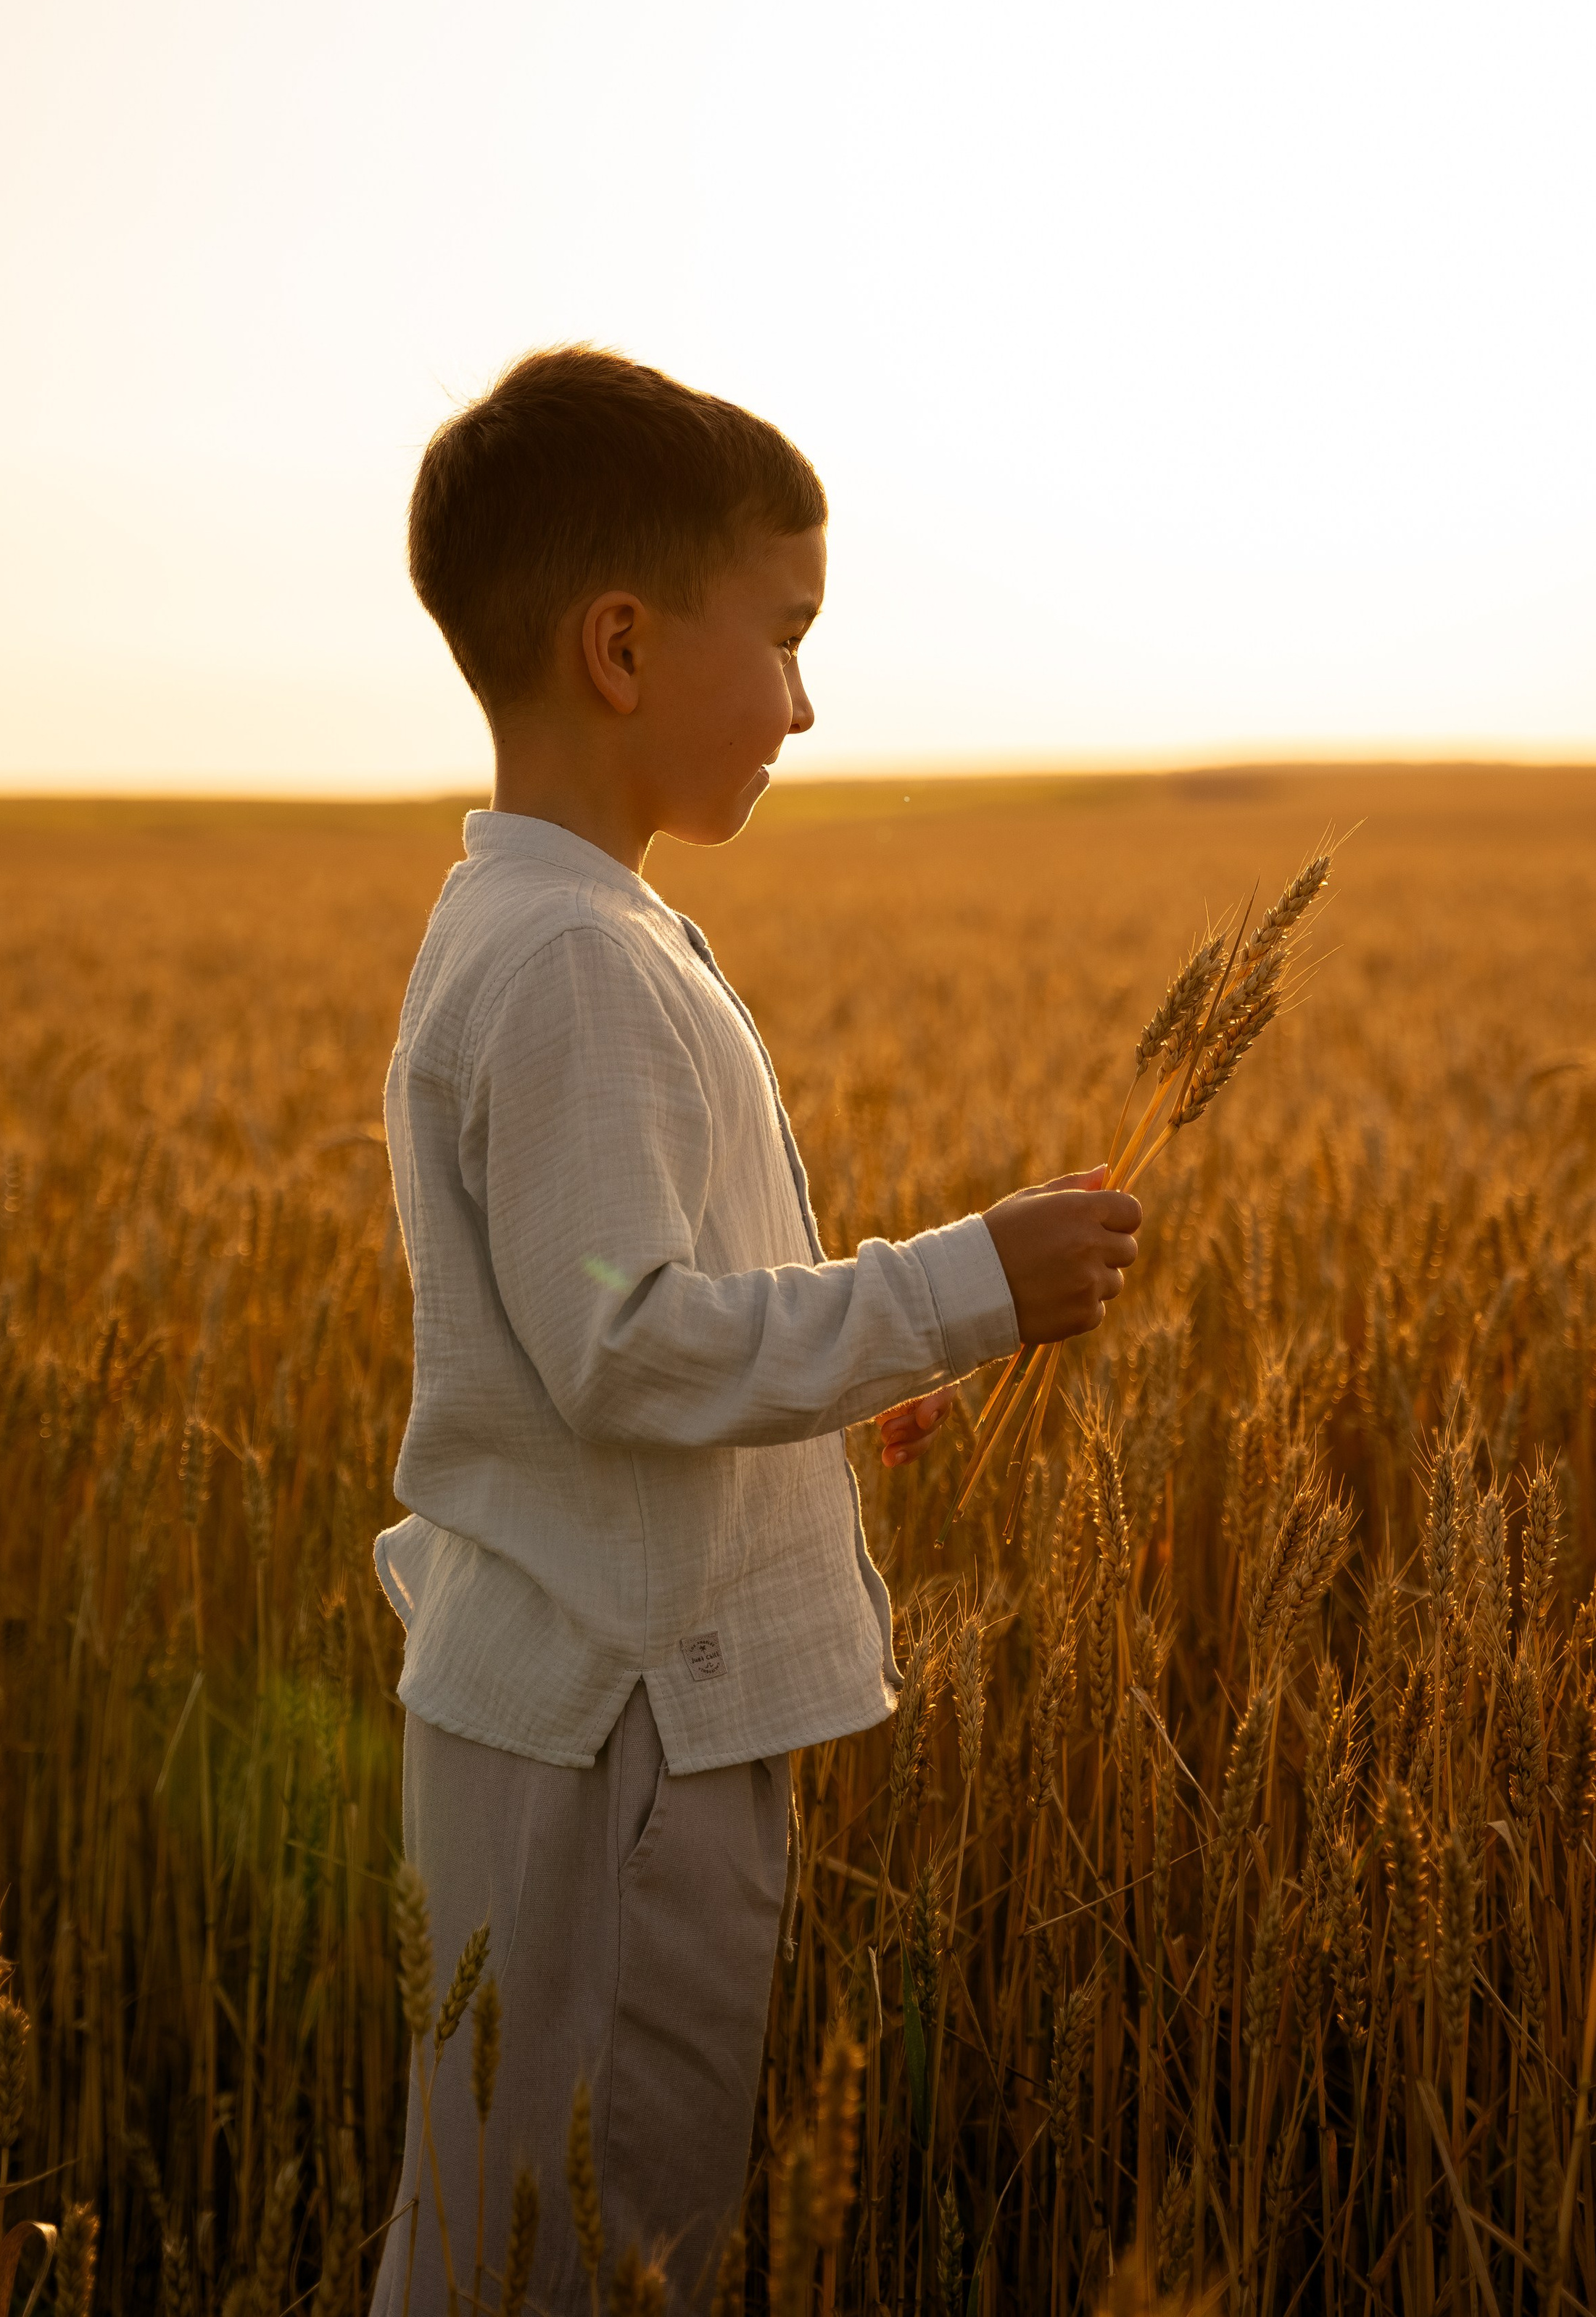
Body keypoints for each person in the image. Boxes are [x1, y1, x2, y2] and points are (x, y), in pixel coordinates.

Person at [368, 345, 1140, 2313]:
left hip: (595, 1689)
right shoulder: (571, 959)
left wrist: (821, 1409)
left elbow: (624, 1311)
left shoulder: (564, 924)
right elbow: (628, 1343)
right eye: (786, 637)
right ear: (621, 647)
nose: (808, 700)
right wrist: (967, 1288)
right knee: (597, 2240)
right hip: (630, 1720)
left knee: (501, 2223)